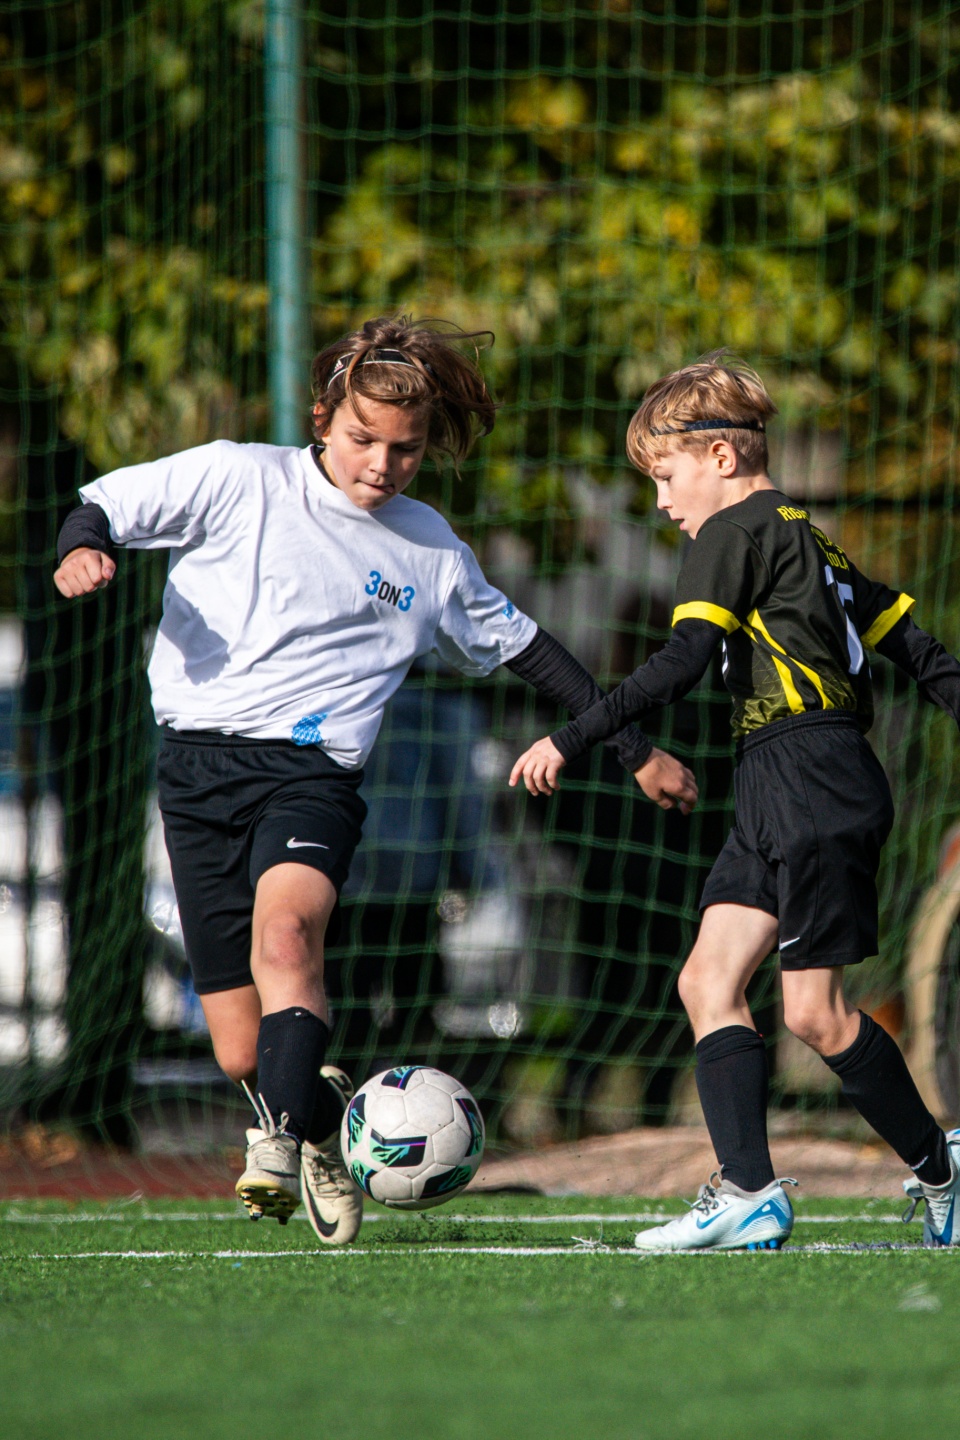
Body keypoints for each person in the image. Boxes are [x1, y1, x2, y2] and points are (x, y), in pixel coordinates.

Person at [52, 315, 697, 1245]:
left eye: (407, 449)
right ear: (322, 418)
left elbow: (534, 653)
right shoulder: (239, 478)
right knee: (239, 1047)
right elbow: (100, 504)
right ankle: (322, 1127)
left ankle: (276, 1144)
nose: (383, 465)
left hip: (311, 777)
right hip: (194, 771)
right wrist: (82, 548)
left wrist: (636, 752)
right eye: (363, 439)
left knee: (288, 939)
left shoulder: (429, 550)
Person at [510, 350, 960, 1251]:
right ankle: (749, 1191)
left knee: (814, 1014)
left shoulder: (735, 531)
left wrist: (570, 738)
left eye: (665, 476)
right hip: (781, 781)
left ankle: (943, 1170)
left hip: (811, 780)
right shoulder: (811, 539)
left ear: (720, 456)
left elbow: (680, 664)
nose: (662, 502)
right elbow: (918, 649)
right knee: (707, 981)